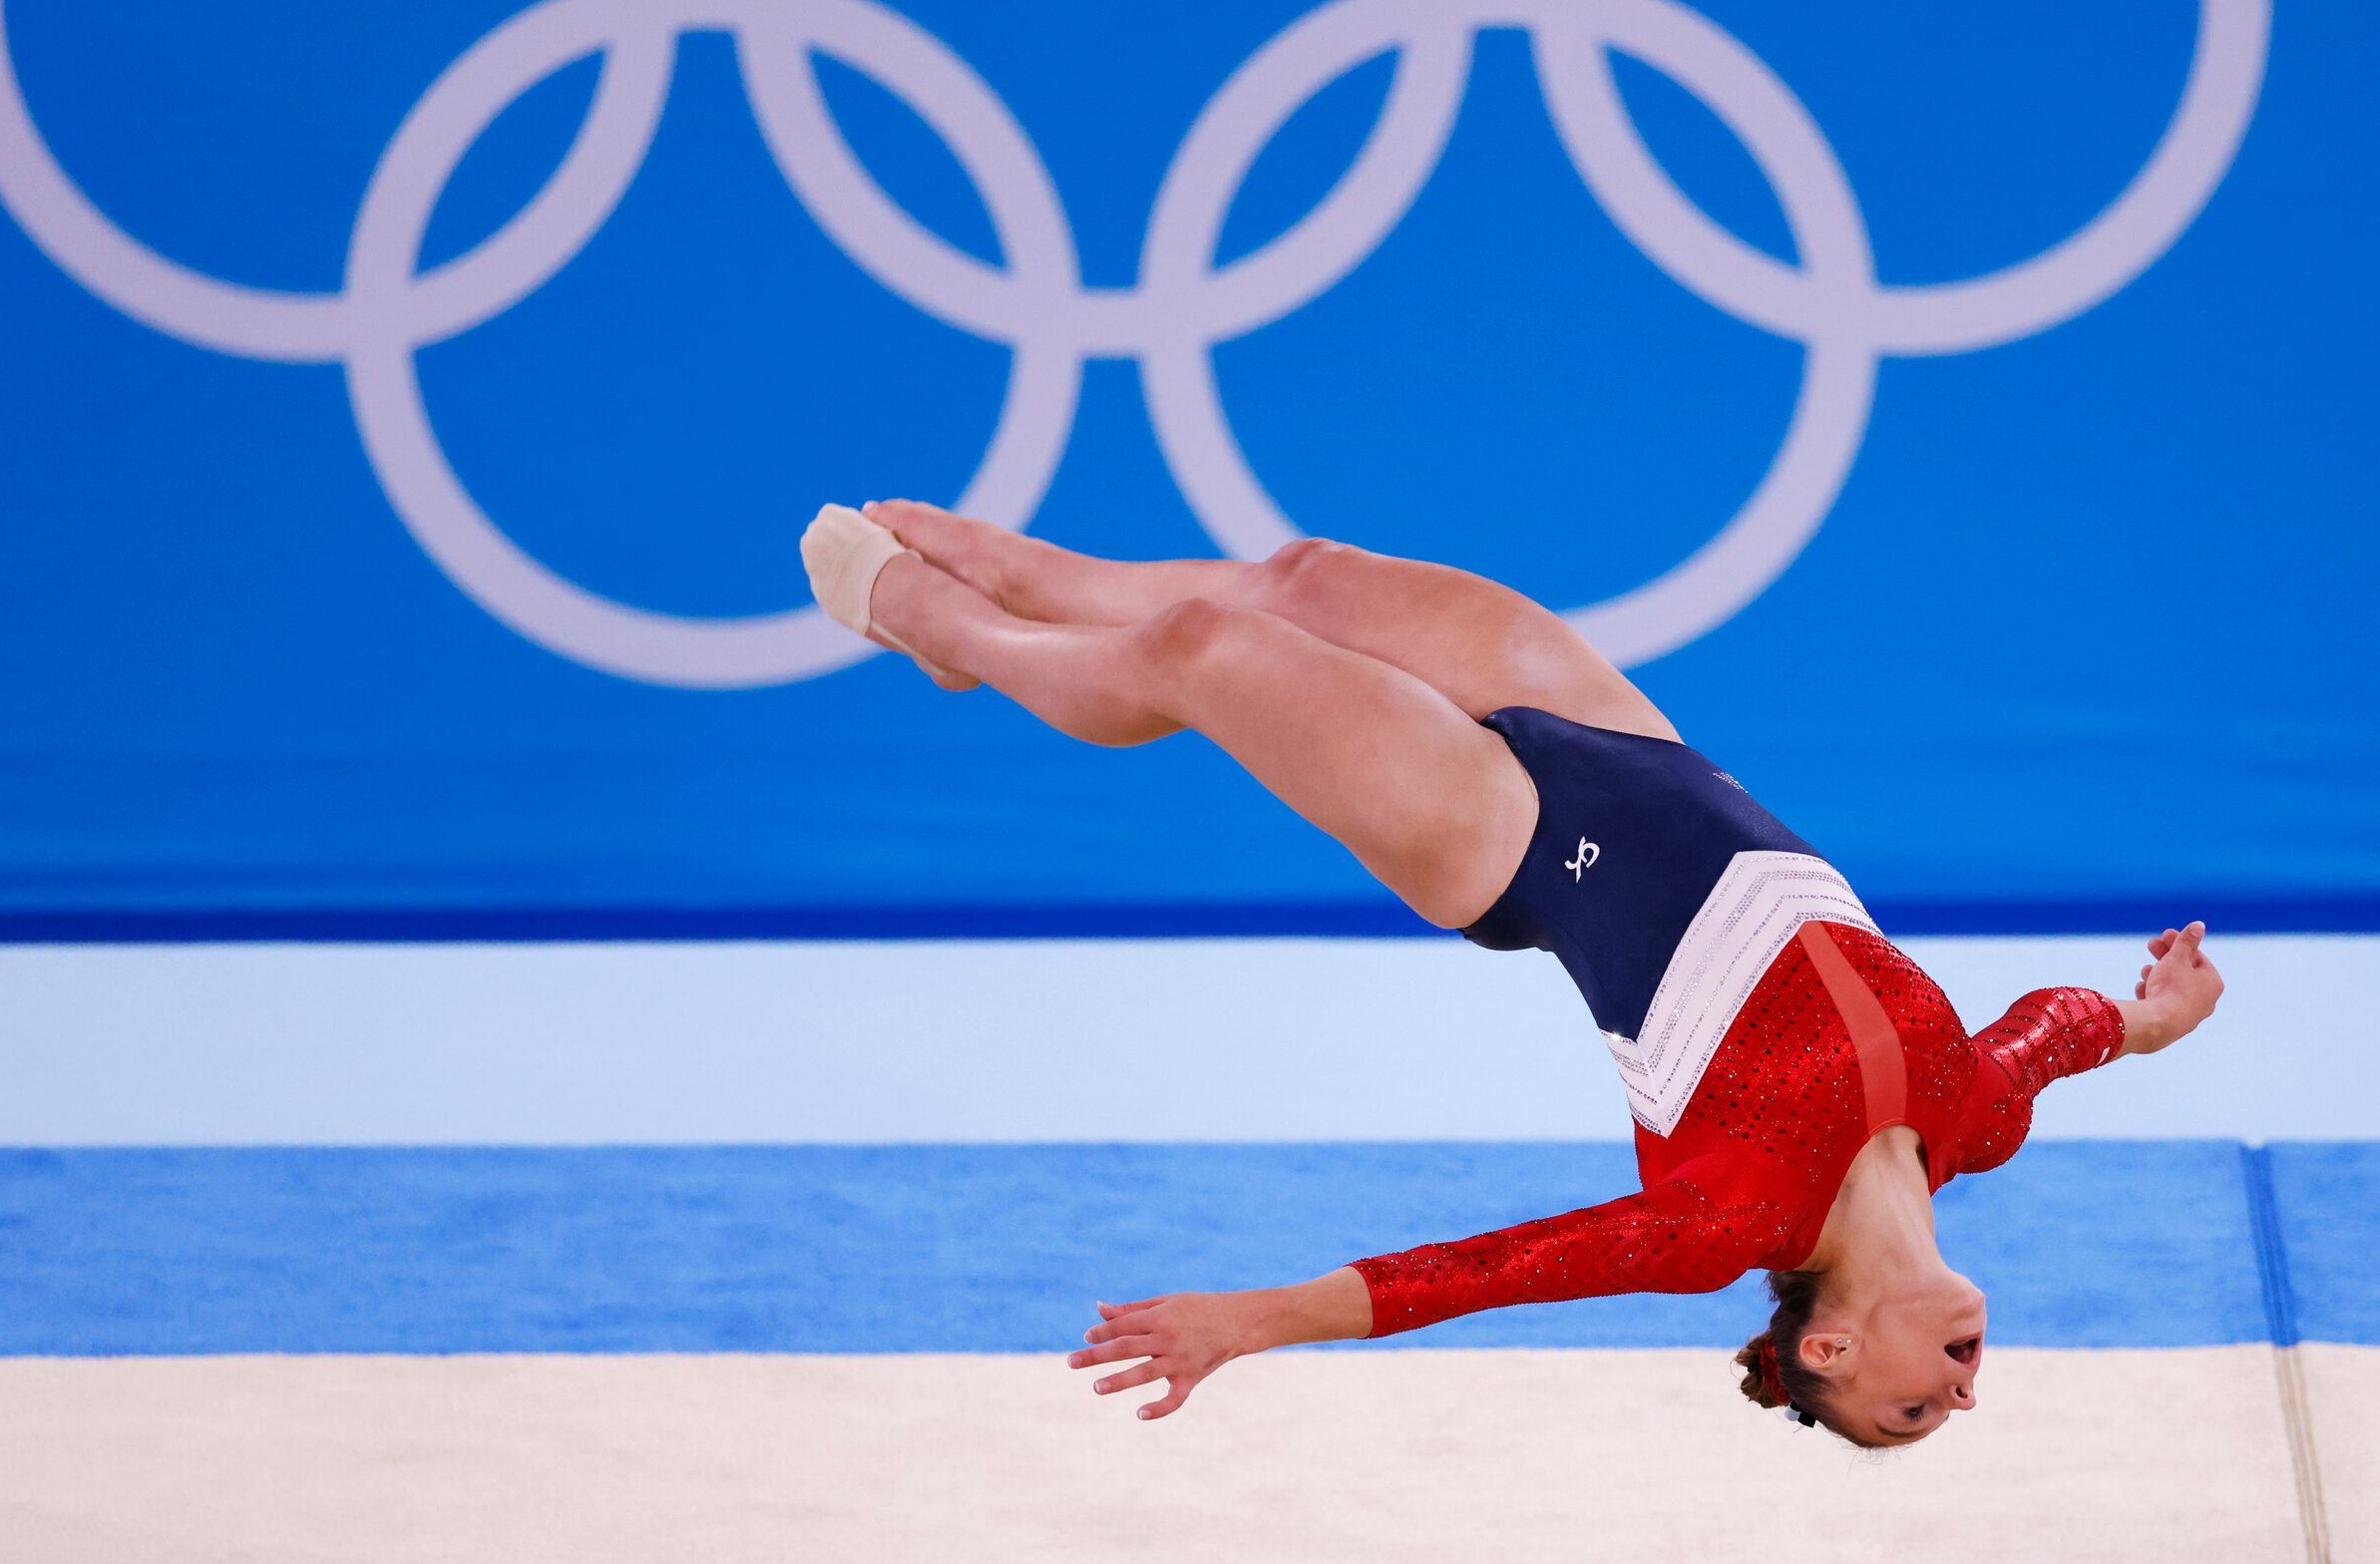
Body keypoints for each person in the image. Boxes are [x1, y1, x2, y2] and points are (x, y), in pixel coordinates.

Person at [799, 503, 2224, 1446]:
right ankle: (1040, 591)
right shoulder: (1974, 1120)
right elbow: (2054, 1027)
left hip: (1504, 845)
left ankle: (954, 632)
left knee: (1201, 648)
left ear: (1834, 1350)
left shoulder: (1719, 1223)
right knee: (1302, 579)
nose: (1966, 1393)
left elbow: (1478, 1274)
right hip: (1638, 749)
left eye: (1915, 1411)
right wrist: (2149, 1023)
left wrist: (1253, 1319)